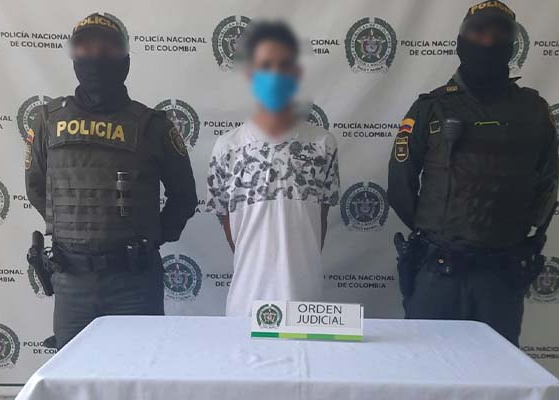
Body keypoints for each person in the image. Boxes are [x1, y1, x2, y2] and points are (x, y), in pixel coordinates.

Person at [388, 0, 559, 345]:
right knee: (425, 364)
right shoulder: (431, 107)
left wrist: (518, 235)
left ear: (512, 43)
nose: (488, 41)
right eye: (479, 32)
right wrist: (438, 230)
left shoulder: (534, 110)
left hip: (501, 273)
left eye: (499, 34)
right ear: (462, 39)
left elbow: (548, 184)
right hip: (438, 269)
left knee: (497, 371)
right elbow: (400, 184)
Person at [25, 13, 198, 349]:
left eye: (107, 48)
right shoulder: (48, 121)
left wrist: (151, 238)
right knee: (75, 375)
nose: (96, 56)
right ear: (74, 56)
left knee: (138, 371)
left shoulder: (153, 125)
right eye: (86, 47)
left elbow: (184, 196)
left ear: (126, 58)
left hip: (133, 281)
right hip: (72, 281)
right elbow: (36, 188)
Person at [206, 21, 340, 316]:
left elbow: (320, 218)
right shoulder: (227, 147)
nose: (275, 75)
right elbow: (227, 222)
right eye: (265, 66)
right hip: (246, 304)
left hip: (306, 303)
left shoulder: (323, 143)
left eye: (284, 66)